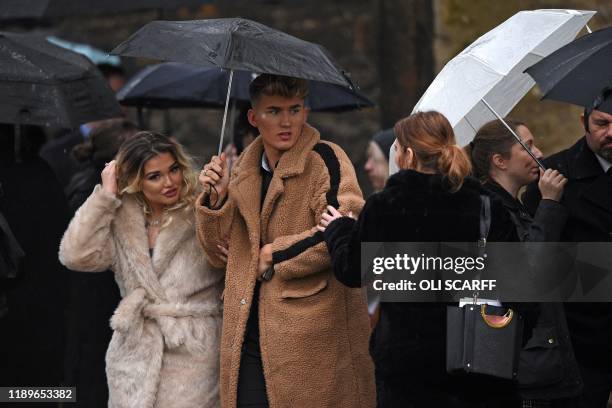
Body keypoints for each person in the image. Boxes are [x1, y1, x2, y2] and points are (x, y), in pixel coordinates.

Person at [319, 111, 521, 407]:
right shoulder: (487, 206)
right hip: (479, 365)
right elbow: (520, 287)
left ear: (409, 155)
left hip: (408, 369)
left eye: (397, 149)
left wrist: (339, 229)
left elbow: (351, 270)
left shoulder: (385, 206)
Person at [196, 74, 375, 408]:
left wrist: (272, 256)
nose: (286, 121)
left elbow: (345, 228)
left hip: (310, 334)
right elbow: (219, 254)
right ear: (253, 117)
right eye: (274, 111)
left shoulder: (327, 159)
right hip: (245, 327)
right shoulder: (241, 172)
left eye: (294, 109)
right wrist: (215, 201)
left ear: (306, 111)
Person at [59, 132, 223, 407]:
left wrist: (219, 200)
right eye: (154, 176)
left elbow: (228, 255)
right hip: (133, 352)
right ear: (136, 181)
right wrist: (105, 197)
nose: (170, 182)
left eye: (173, 170)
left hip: (193, 347)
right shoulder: (120, 214)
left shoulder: (202, 208)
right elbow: (75, 255)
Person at [468, 119, 582, 406]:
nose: (540, 153)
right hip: (526, 366)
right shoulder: (489, 211)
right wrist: (549, 204)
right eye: (528, 146)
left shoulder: (514, 206)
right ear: (499, 161)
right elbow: (526, 276)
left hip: (541, 358)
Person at [523, 88, 612, 408]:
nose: (611, 133)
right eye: (602, 123)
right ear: (583, 122)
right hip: (579, 338)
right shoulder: (553, 177)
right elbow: (535, 259)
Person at [62, 118, 139, 407]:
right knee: (92, 383)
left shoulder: (91, 186)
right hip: (96, 307)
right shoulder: (91, 194)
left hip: (99, 306)